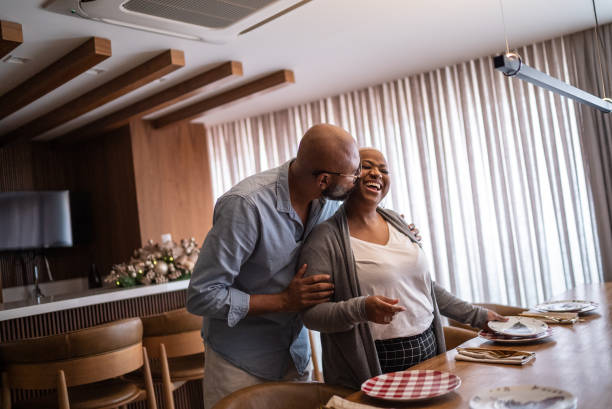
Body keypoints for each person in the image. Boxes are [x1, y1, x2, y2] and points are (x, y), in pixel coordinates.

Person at [186, 124, 362, 408]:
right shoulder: (245, 205)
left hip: (295, 353)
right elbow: (202, 296)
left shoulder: (328, 202)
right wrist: (283, 301)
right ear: (324, 180)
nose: (357, 179)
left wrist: (400, 229)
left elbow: (360, 224)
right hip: (240, 364)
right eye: (353, 174)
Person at [299, 148, 506, 390]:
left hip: (430, 351)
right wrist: (361, 308)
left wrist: (478, 316)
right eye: (366, 166)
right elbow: (311, 315)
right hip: (374, 363)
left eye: (384, 170)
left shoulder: (398, 222)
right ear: (348, 178)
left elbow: (424, 288)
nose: (376, 173)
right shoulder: (324, 238)